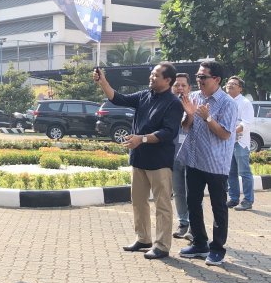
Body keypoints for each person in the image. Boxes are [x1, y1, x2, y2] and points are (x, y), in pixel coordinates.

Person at [94, 62, 183, 260]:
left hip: (160, 162)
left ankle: (162, 245)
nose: (151, 77)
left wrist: (141, 139)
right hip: (139, 158)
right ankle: (143, 238)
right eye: (151, 74)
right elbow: (118, 98)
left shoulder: (173, 103)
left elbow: (169, 133)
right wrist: (103, 81)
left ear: (168, 80)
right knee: (139, 201)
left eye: (156, 75)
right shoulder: (144, 95)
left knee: (162, 205)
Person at [176, 61, 238, 266]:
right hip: (194, 161)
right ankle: (200, 244)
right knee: (193, 203)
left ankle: (218, 249)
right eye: (198, 76)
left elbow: (225, 134)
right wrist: (191, 114)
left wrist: (208, 117)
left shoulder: (228, 103)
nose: (199, 80)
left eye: (203, 77)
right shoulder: (193, 97)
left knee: (218, 206)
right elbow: (185, 127)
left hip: (215, 164)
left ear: (216, 80)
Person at [225, 76, 255, 211]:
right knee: (230, 172)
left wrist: (231, 133)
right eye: (229, 83)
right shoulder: (225, 101)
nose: (230, 85)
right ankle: (234, 198)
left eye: (234, 84)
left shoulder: (244, 103)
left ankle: (248, 200)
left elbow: (246, 123)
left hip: (240, 142)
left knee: (244, 172)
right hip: (227, 142)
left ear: (240, 88)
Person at [171, 73, 192, 240]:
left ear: (189, 88)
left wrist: (190, 113)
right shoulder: (169, 105)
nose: (180, 88)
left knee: (192, 192)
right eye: (177, 85)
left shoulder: (195, 103)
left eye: (183, 85)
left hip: (191, 155)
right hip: (173, 154)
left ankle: (194, 225)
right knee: (178, 191)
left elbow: (188, 126)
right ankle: (183, 222)